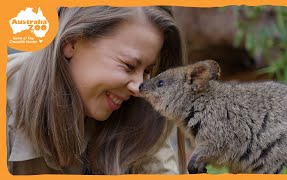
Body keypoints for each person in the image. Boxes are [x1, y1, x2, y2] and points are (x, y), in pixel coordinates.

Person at [6, 6, 187, 175]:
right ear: (71, 42)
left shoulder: (137, 115)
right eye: (129, 66)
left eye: (147, 72)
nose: (138, 88)